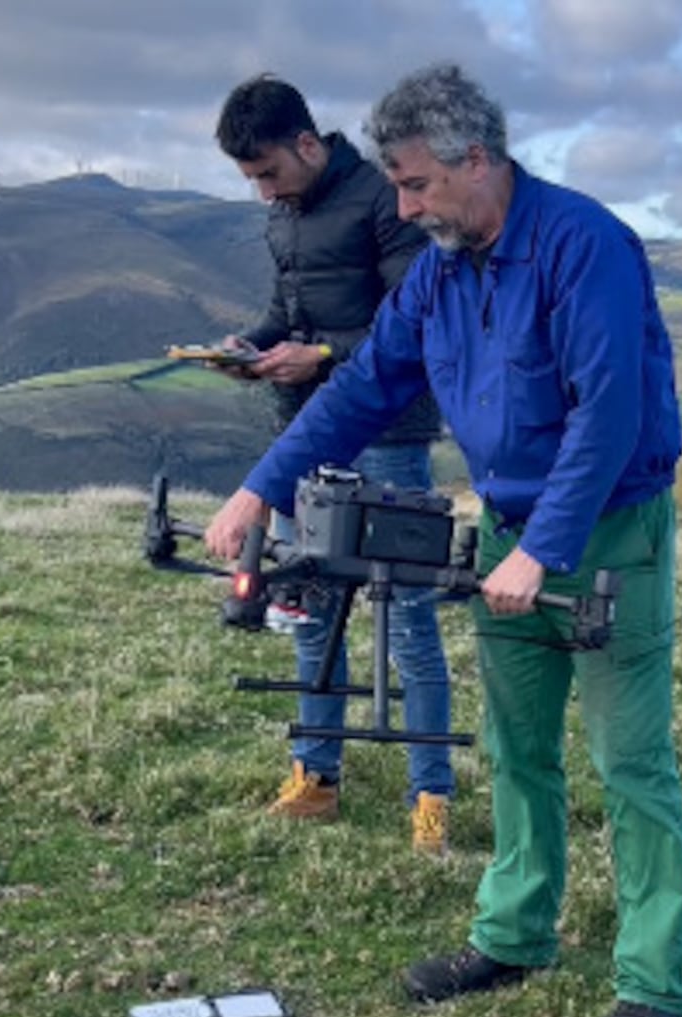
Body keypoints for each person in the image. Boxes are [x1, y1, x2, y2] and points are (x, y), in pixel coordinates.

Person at [205, 63, 682, 1017]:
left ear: (478, 159)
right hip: (513, 526)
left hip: (606, 531)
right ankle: (513, 933)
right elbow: (364, 387)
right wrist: (260, 486)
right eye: (394, 184)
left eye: (417, 183)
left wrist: (543, 549)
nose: (402, 204)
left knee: (629, 761)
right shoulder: (437, 269)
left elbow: (609, 417)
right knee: (519, 748)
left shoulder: (582, 245)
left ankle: (654, 979)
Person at [213, 75, 454, 854]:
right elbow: (290, 317)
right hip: (306, 432)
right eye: (250, 181)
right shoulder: (284, 217)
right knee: (307, 608)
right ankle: (314, 777)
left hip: (386, 431)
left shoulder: (389, 201)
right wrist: (251, 348)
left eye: (269, 174)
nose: (262, 193)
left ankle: (431, 797)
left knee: (407, 619)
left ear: (308, 144)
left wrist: (315, 354)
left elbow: (406, 328)